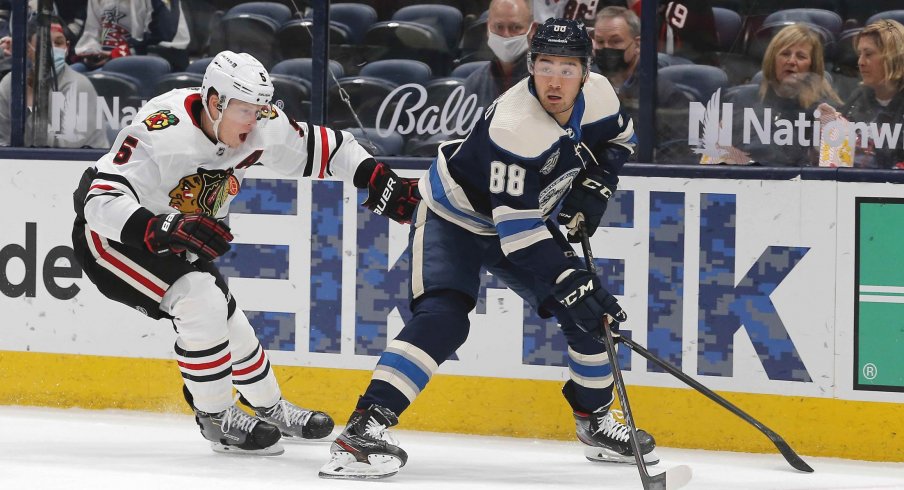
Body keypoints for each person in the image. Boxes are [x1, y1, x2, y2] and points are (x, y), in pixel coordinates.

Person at [319, 18, 658, 480]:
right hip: (454, 217)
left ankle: (594, 420)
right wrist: (572, 282)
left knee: (589, 320)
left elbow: (622, 138)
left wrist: (596, 184)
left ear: (586, 70)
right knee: (443, 318)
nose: (555, 79)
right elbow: (518, 238)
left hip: (521, 220)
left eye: (567, 67)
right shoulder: (515, 127)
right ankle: (362, 431)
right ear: (531, 66)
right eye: (545, 65)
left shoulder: (599, 94)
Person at [70, 50, 420, 455]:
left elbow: (325, 148)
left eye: (261, 108)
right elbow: (98, 201)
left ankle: (270, 407)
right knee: (201, 303)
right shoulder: (159, 129)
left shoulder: (258, 125)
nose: (256, 121)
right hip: (114, 241)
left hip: (181, 236)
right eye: (246, 111)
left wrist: (375, 177)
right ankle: (215, 416)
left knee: (230, 322)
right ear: (216, 102)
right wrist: (162, 226)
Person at [728, 23, 842, 166]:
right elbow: (720, 155)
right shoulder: (744, 99)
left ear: (812, 66)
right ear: (772, 59)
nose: (791, 61)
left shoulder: (823, 111)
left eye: (800, 56)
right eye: (785, 54)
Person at [592, 6, 689, 161]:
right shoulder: (586, 86)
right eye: (600, 42)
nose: (606, 48)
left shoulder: (664, 94)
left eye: (615, 41)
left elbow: (679, 155)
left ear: (637, 45)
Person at [0, 16, 108, 148]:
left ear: (67, 47)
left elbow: (66, 149)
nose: (51, 49)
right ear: (27, 49)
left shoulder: (79, 86)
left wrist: (30, 108)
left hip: (81, 164)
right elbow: (3, 141)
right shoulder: (10, 83)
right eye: (43, 43)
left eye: (58, 43)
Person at [834, 19, 904, 169]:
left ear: (894, 57)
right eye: (860, 54)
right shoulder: (856, 99)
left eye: (869, 54)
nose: (860, 62)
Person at [75, 0, 190, 70]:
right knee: (76, 71)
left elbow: (162, 36)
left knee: (102, 77)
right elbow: (90, 31)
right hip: (104, 61)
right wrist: (90, 51)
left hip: (152, 59)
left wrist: (118, 53)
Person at [463, 0, 536, 111]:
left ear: (532, 30)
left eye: (515, 27)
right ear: (488, 28)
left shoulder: (545, 81)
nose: (506, 35)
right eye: (498, 27)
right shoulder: (474, 83)